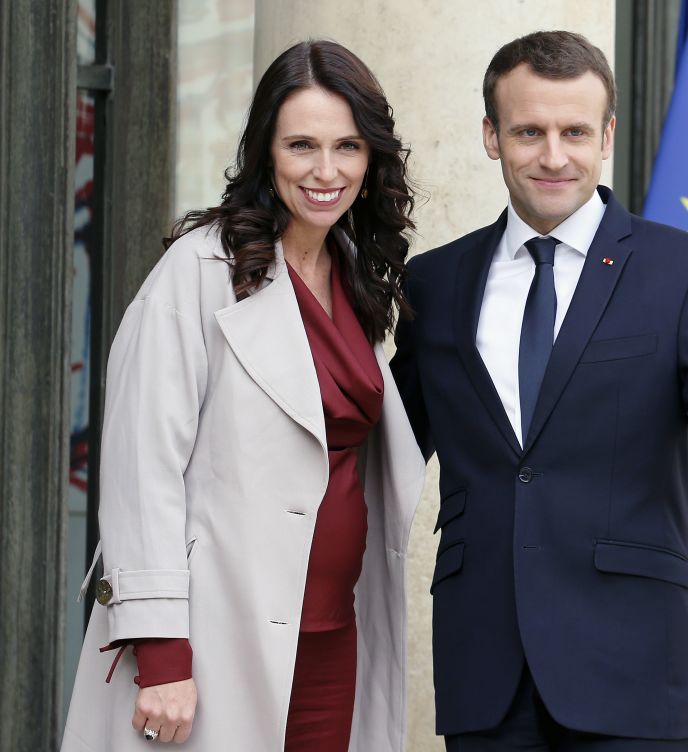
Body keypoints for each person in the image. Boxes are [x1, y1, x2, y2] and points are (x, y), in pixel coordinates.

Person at [390, 30, 688, 751]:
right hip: (486, 668)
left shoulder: (684, 272)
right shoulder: (434, 283)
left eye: (575, 131)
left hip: (636, 667)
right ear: (491, 136)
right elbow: (387, 443)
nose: (553, 155)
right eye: (528, 131)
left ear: (607, 135)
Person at [60, 40, 424, 751]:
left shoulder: (355, 271)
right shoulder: (196, 270)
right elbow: (143, 469)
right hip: (216, 639)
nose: (327, 171)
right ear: (265, 152)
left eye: (348, 146)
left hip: (332, 634)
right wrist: (163, 653)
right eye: (302, 146)